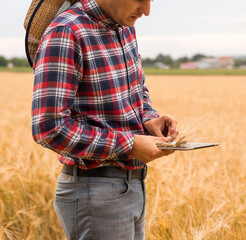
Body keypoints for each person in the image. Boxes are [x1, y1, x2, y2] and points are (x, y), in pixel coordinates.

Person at [30, 0, 178, 239]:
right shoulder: (67, 31)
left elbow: (137, 90)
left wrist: (149, 120)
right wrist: (130, 146)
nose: (147, 11)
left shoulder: (125, 25)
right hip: (94, 191)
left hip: (132, 186)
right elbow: (49, 128)